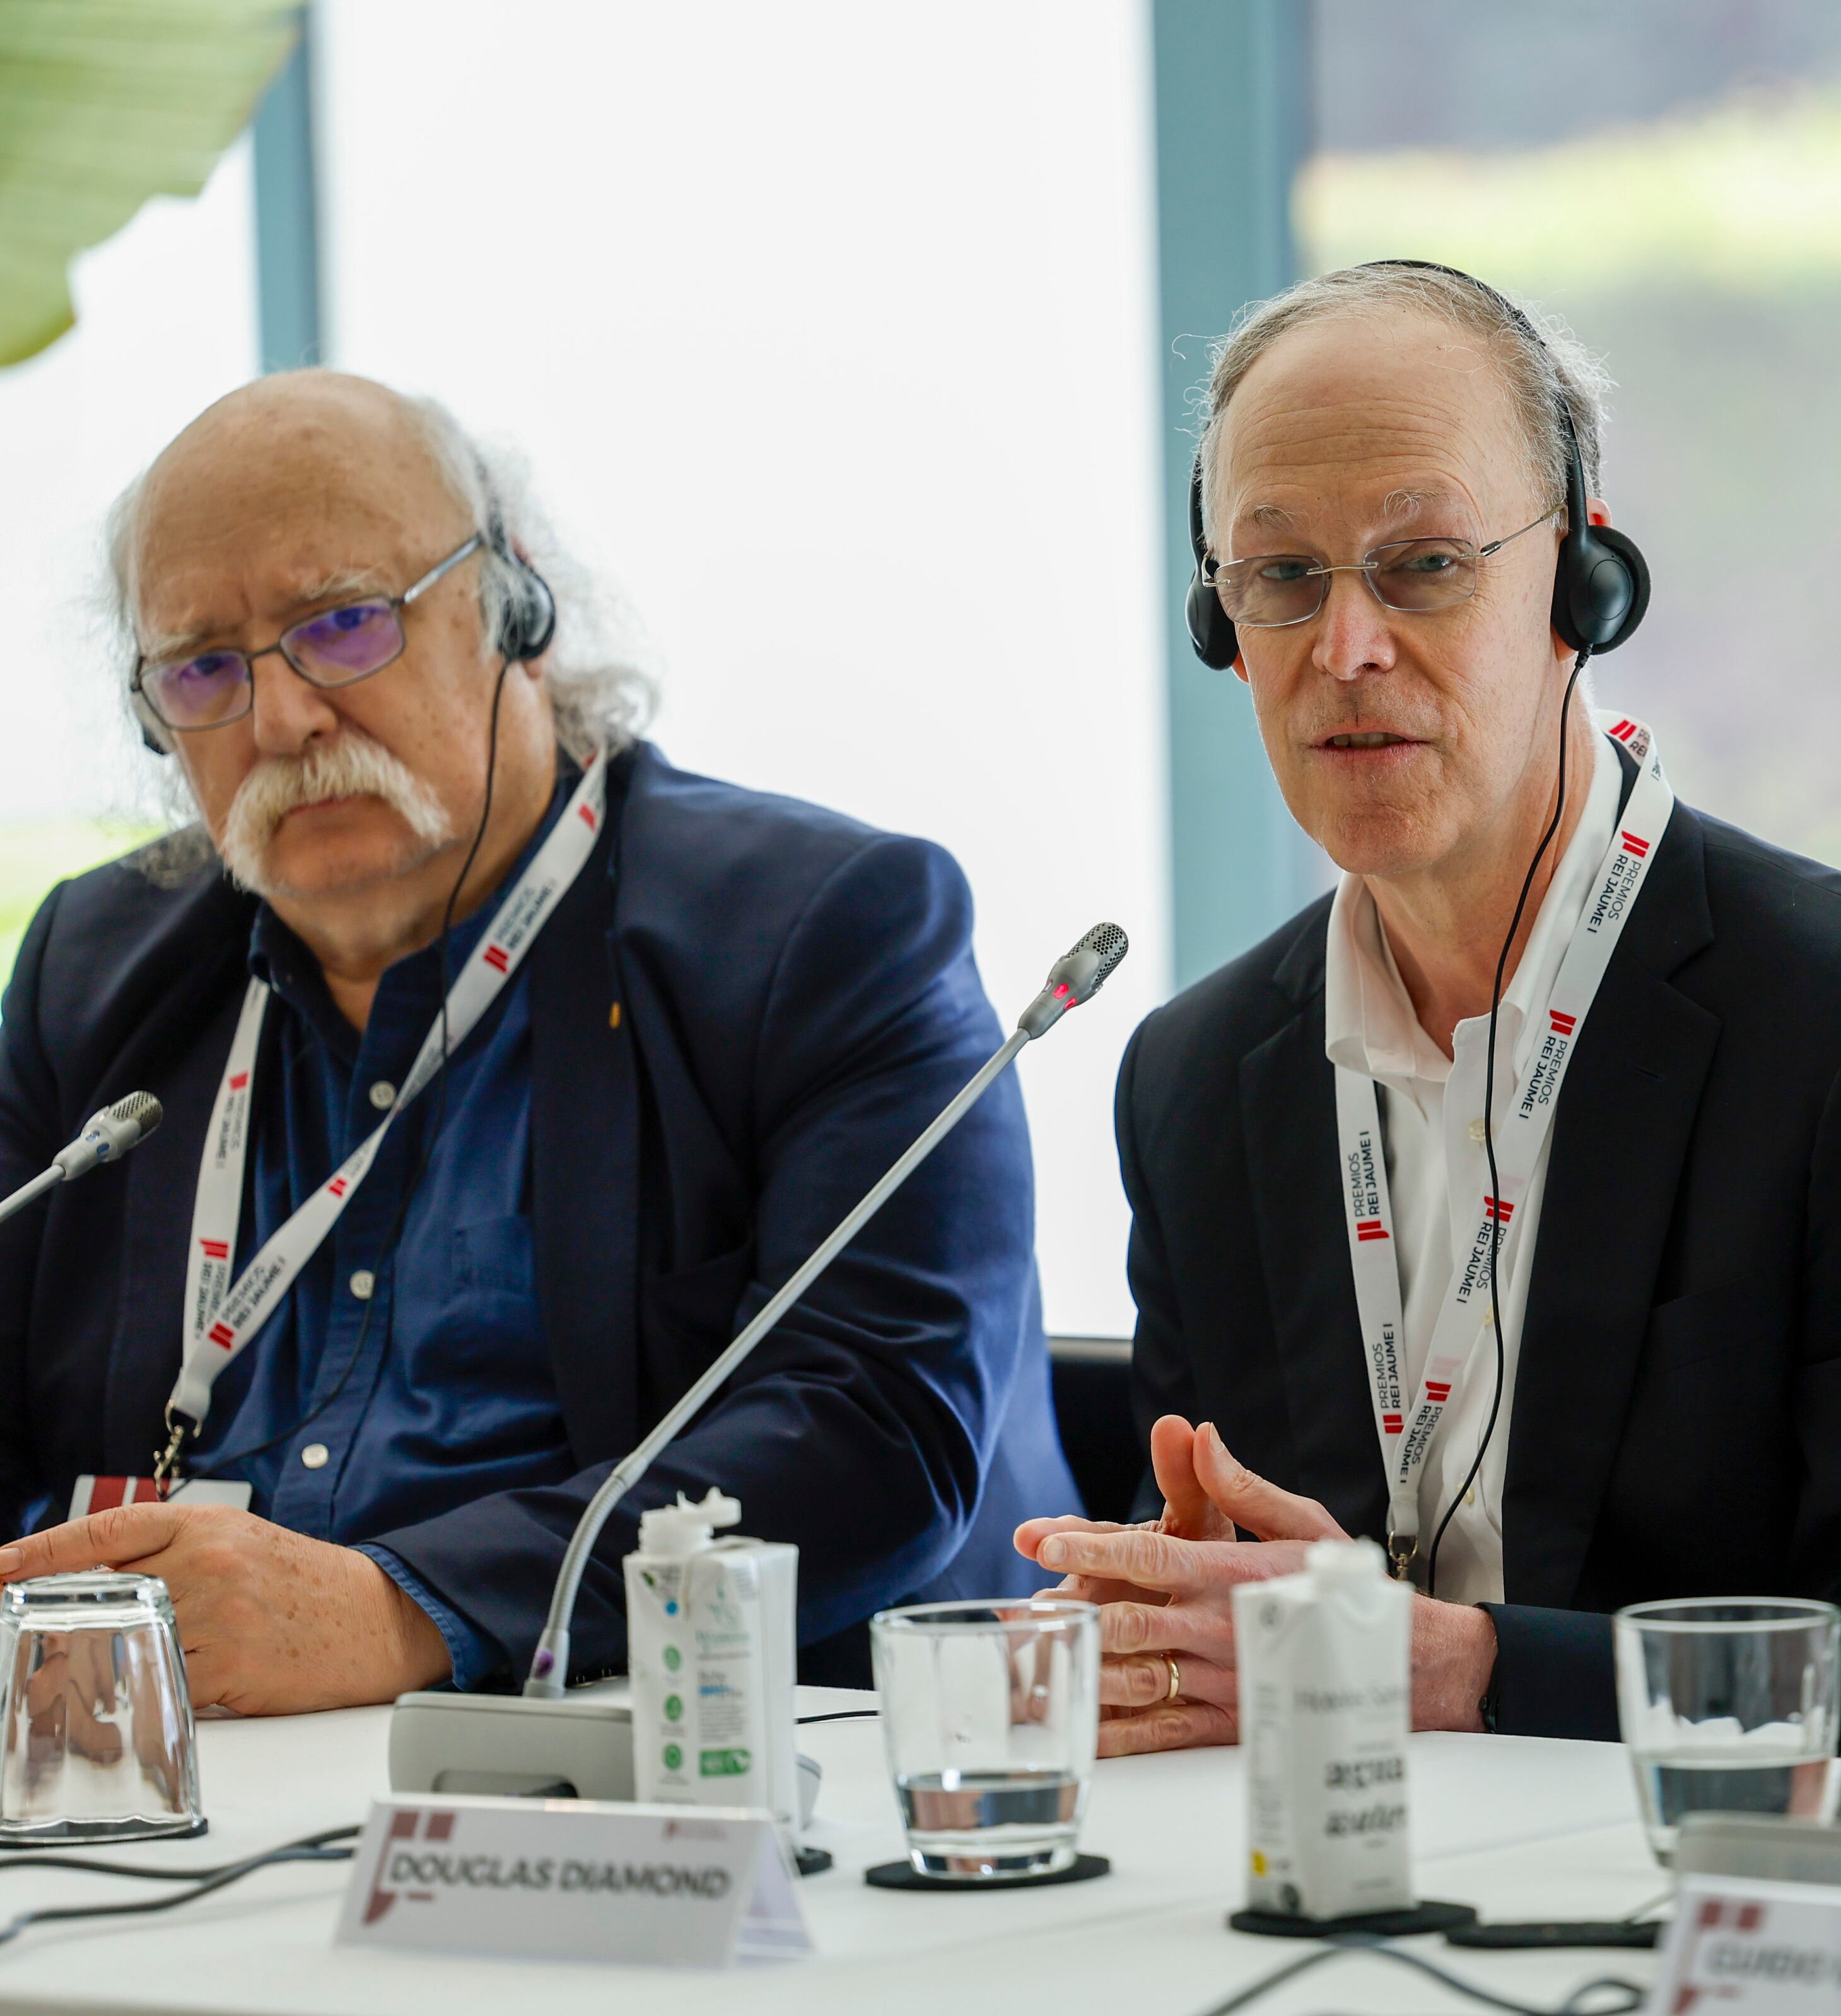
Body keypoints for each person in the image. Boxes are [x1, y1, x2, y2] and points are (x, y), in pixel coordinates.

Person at [1019, 261, 1841, 1763]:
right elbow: (1240, 1625)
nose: (1345, 650)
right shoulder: (1200, 1079)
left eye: (1424, 563)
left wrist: (1466, 1668)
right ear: (1224, 624)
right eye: (1281, 579)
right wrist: (1159, 1629)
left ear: (1583, 588)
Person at [0, 371, 1075, 1711]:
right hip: (184, 1771)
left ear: (515, 607)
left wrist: (398, 1610)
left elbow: (875, 1429)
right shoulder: (91, 976)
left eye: (342, 624)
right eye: (206, 666)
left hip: (709, 1776)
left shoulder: (819, 931)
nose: (282, 719)